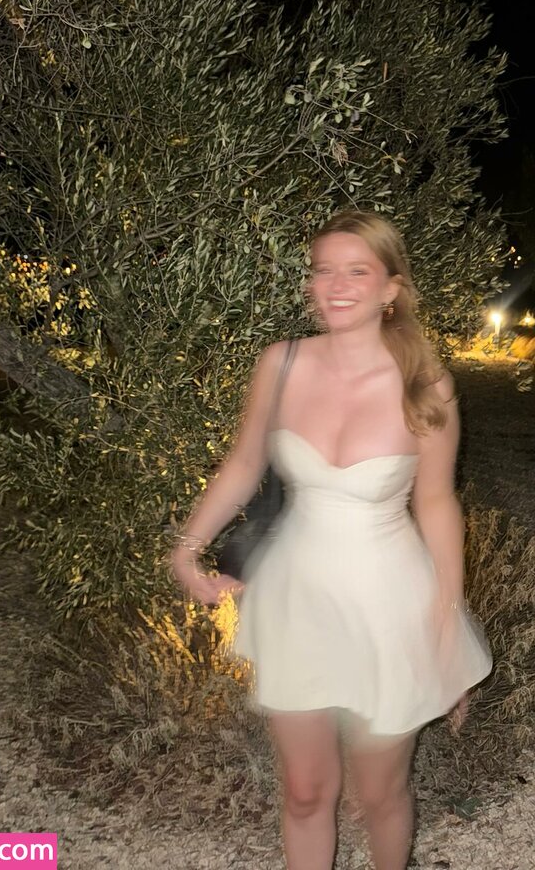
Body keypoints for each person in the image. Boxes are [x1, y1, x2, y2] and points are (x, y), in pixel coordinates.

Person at [172, 210, 492, 870]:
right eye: (323, 271)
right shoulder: (281, 363)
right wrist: (186, 547)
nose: (337, 286)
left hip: (390, 606)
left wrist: (447, 613)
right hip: (298, 600)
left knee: (380, 794)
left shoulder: (427, 385)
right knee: (305, 792)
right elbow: (243, 463)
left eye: (357, 271)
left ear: (390, 288)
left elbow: (436, 502)